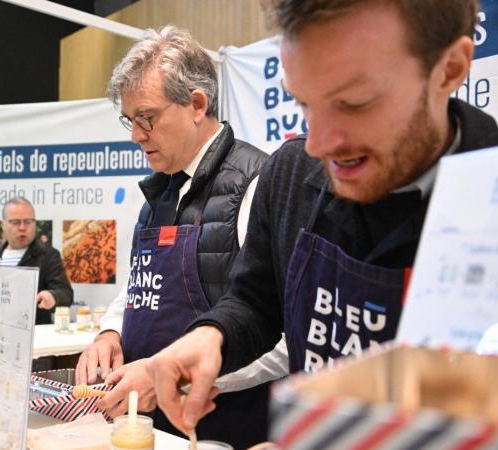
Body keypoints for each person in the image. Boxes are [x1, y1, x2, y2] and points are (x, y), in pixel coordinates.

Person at [148, 0, 498, 438]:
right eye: (305, 104)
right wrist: (213, 337)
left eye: (353, 103)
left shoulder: (488, 197)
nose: (318, 144)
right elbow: (258, 300)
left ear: (450, 69)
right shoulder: (292, 174)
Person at [74, 26, 269, 448]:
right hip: (149, 426)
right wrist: (110, 332)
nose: (135, 135)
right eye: (130, 120)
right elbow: (139, 286)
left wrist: (173, 378)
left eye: (146, 117)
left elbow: (281, 331)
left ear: (197, 105)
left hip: (224, 429)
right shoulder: (157, 192)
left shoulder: (255, 184)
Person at [0, 196, 73, 324]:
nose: (22, 227)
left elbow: (66, 294)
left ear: (35, 223)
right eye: (15, 222)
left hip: (34, 337)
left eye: (28, 222)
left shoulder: (47, 255)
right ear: (3, 225)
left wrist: (53, 297)